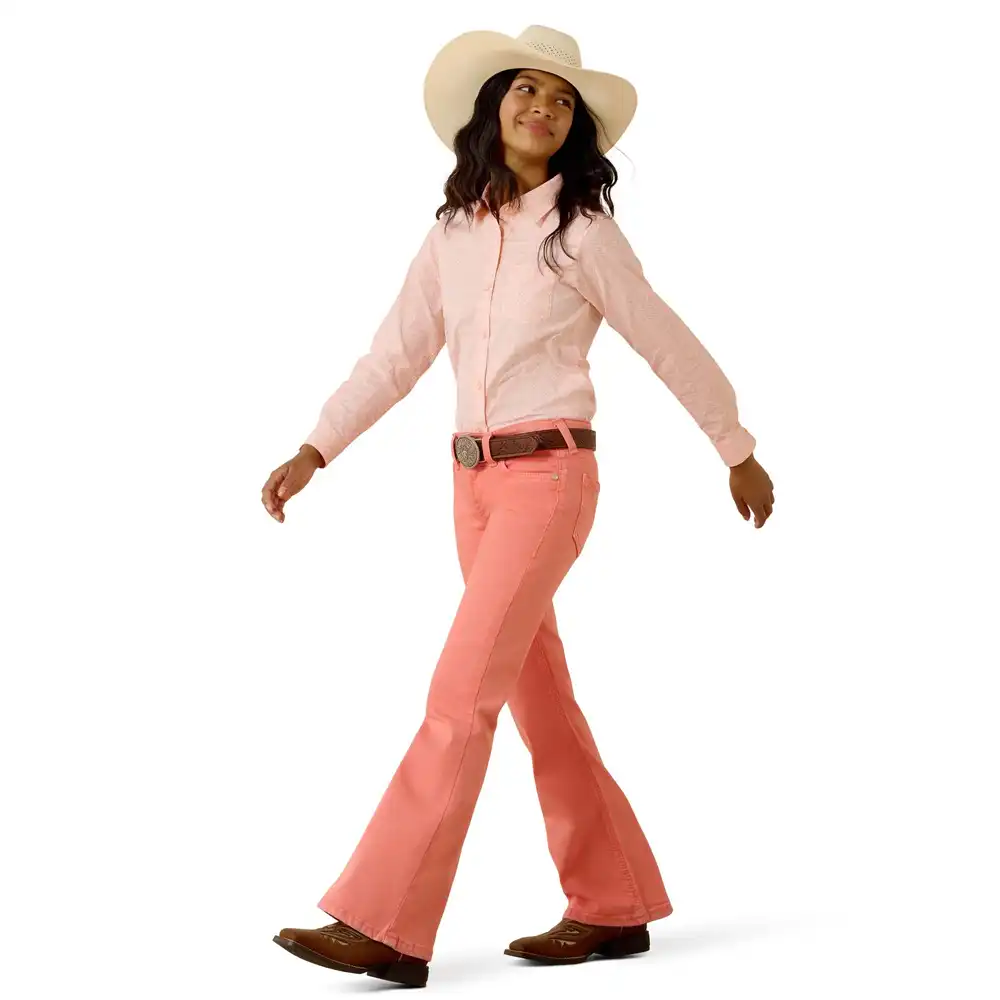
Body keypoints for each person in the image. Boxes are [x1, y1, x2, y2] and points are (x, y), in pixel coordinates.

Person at [263, 24, 775, 989]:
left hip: (550, 480)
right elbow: (394, 355)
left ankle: (386, 923)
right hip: (470, 487)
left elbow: (665, 338)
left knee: (460, 697)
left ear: (575, 127)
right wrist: (316, 448)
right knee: (540, 701)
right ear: (492, 108)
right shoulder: (452, 235)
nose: (543, 107)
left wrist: (735, 448)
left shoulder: (582, 234)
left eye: (563, 99)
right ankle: (614, 901)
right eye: (527, 90)